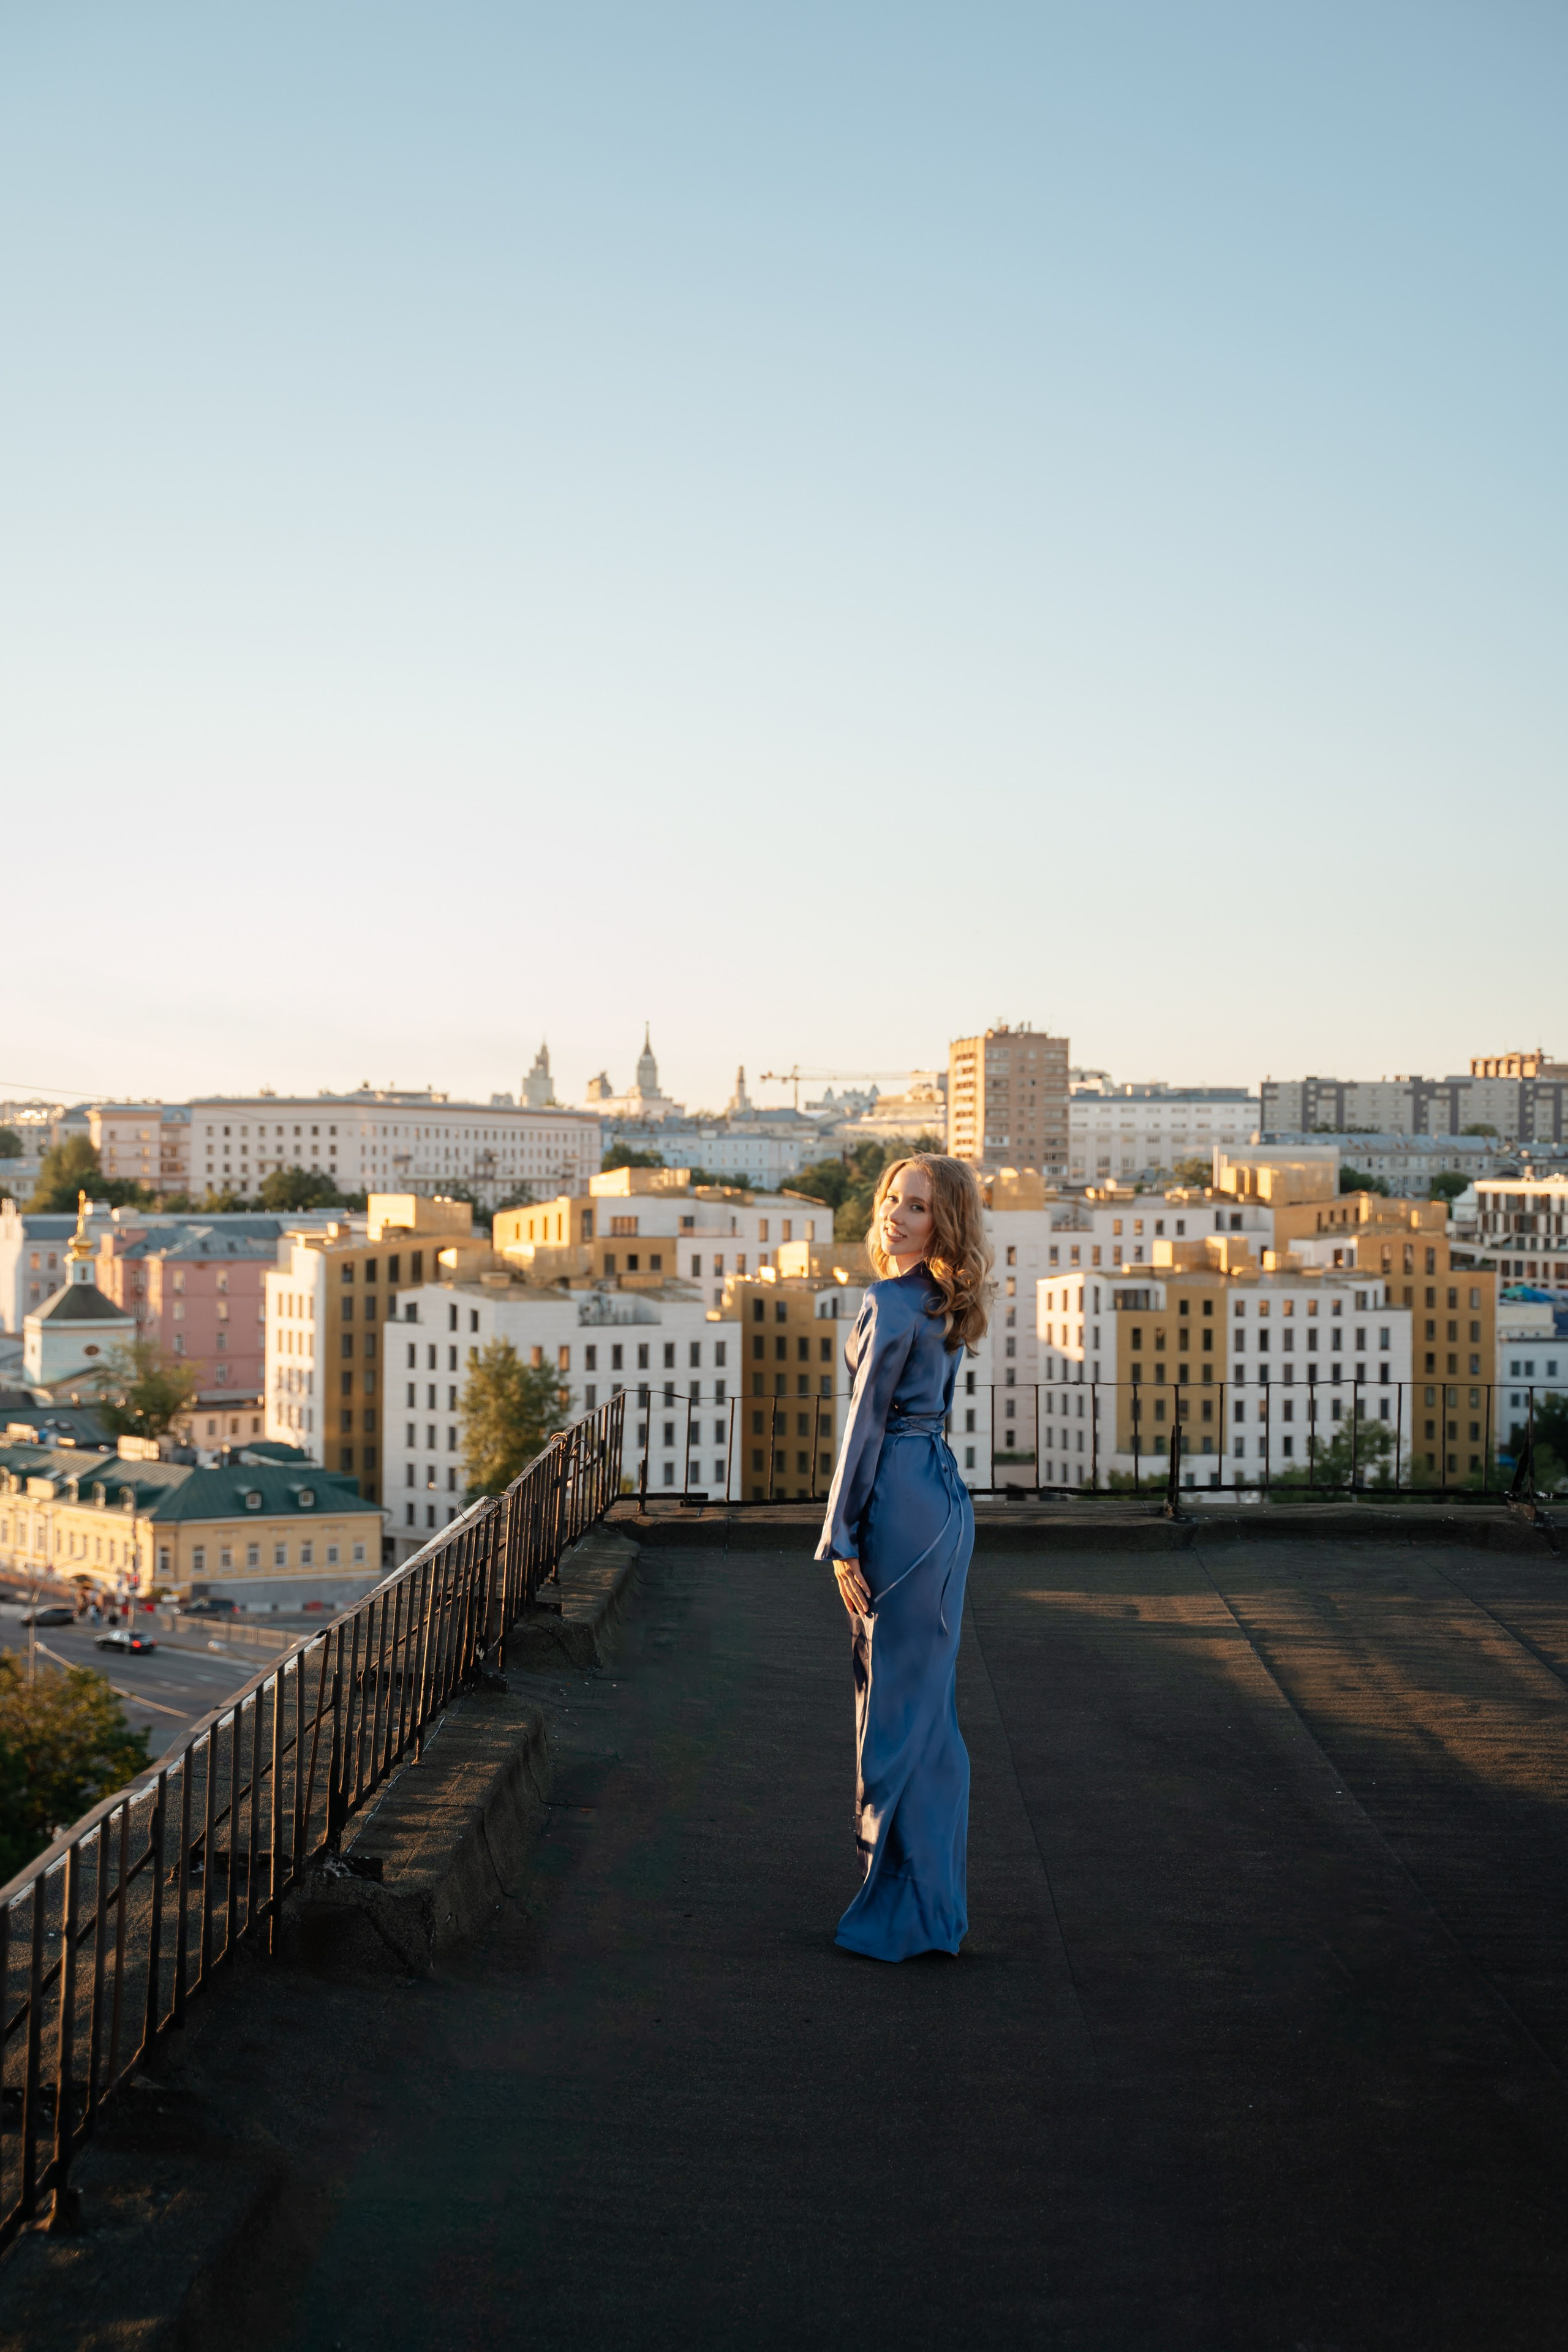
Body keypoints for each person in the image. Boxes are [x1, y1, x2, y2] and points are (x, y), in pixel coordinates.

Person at [816, 1153, 994, 1961]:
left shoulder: (891, 1301)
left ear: (942, 1222)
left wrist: (841, 1538)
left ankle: (904, 1912)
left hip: (897, 1507)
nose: (895, 1214)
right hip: (943, 1504)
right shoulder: (942, 1300)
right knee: (928, 1715)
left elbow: (865, 1428)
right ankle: (934, 1910)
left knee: (891, 1713)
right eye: (892, 1198)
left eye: (916, 1206)